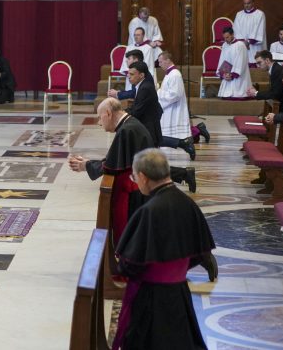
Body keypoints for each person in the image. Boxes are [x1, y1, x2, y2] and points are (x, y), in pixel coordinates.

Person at [111, 149, 216, 350]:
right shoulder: (188, 204)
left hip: (151, 298)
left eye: (135, 177)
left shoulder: (149, 211)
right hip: (179, 293)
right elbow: (198, 254)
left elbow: (130, 264)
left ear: (142, 176)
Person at [68, 98, 153, 243]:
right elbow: (115, 160)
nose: (99, 122)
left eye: (100, 117)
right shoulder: (129, 125)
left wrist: (86, 166)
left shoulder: (126, 130)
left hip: (135, 194)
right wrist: (88, 164)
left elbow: (112, 167)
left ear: (108, 113)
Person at [155, 52, 197, 161]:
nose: (159, 64)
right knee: (161, 135)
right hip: (169, 108)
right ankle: (185, 144)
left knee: (163, 135)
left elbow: (175, 94)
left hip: (173, 109)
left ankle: (186, 145)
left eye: (160, 61)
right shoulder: (170, 74)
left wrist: (159, 93)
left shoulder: (175, 74)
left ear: (167, 60)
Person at [217, 27, 251, 99]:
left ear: (232, 34)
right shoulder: (224, 45)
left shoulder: (240, 45)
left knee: (237, 96)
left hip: (238, 74)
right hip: (227, 73)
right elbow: (222, 59)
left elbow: (241, 62)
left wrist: (233, 74)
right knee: (226, 96)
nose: (226, 40)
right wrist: (223, 73)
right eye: (224, 38)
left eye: (227, 37)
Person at [233, 0, 266, 67]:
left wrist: (249, 41)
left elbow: (259, 29)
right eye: (245, 3)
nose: (246, 5)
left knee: (257, 64)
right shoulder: (239, 14)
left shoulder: (259, 14)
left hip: (255, 45)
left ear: (253, 3)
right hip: (242, 45)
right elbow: (236, 29)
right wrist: (243, 41)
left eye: (248, 3)